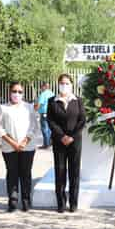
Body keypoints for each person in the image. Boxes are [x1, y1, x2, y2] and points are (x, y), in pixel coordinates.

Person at [0, 81, 39, 212]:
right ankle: (13, 199)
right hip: (9, 147)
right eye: (14, 91)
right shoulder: (3, 108)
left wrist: (26, 140)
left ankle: (26, 199)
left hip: (27, 146)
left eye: (20, 92)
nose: (17, 94)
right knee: (12, 173)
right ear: (9, 92)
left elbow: (34, 126)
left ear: (23, 93)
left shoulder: (29, 107)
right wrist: (12, 142)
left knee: (26, 173)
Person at [47, 74, 86, 213]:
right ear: (58, 85)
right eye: (62, 83)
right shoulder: (52, 101)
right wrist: (62, 136)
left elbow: (82, 121)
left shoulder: (78, 101)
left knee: (74, 172)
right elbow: (51, 121)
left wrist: (71, 136)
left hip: (75, 142)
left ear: (72, 84)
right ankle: (61, 203)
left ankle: (73, 203)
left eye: (67, 83)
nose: (64, 85)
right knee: (60, 171)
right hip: (59, 141)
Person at [35, 82, 54, 149]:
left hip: (44, 113)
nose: (41, 88)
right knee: (49, 129)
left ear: (44, 87)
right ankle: (50, 143)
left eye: (41, 87)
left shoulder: (43, 94)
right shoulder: (52, 93)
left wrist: (35, 110)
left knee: (44, 129)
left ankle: (46, 144)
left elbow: (40, 103)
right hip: (51, 113)